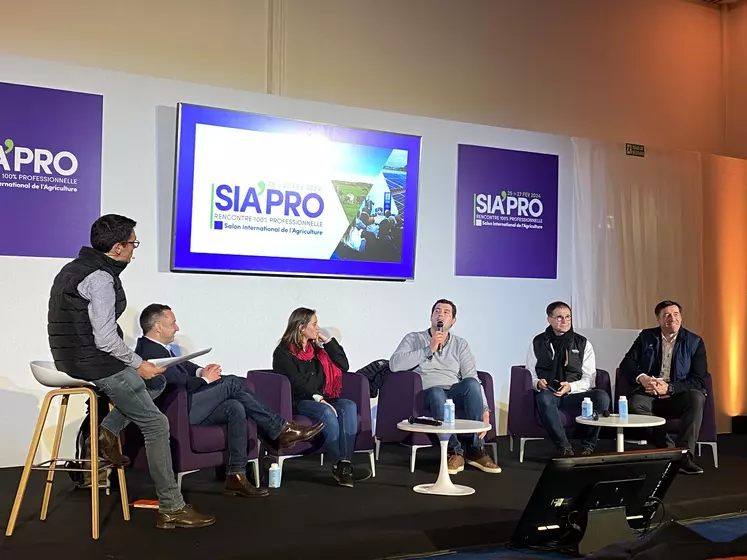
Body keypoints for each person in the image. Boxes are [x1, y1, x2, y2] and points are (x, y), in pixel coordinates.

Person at [47, 214, 214, 529]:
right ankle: (171, 507)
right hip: (91, 360)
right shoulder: (100, 277)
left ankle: (108, 430)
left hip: (70, 357)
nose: (134, 251)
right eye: (133, 244)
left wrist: (141, 368)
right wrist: (139, 363)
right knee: (157, 425)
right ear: (118, 248)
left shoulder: (73, 268)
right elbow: (105, 338)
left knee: (157, 381)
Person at [132, 304, 325, 498]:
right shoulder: (147, 351)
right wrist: (205, 379)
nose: (177, 327)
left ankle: (236, 475)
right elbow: (173, 383)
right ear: (158, 326)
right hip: (177, 411)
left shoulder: (161, 348)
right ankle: (280, 429)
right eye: (173, 323)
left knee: (235, 407)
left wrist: (202, 371)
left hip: (190, 405)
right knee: (232, 383)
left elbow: (185, 368)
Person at [389, 299, 501, 475]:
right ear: (431, 317)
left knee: (471, 384)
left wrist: (485, 408)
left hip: (453, 391)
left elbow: (472, 376)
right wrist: (429, 349)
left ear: (453, 321)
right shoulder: (414, 338)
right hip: (428, 392)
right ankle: (455, 451)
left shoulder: (460, 344)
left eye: (446, 312)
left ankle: (475, 450)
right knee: (436, 393)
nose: (440, 314)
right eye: (437, 311)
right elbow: (395, 365)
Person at [272, 308, 364, 488]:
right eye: (314, 324)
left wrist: (328, 342)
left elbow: (343, 365)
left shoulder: (316, 349)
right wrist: (317, 398)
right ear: (301, 327)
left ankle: (344, 465)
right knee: (326, 412)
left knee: (349, 406)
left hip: (323, 396)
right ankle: (339, 464)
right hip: (300, 400)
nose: (317, 328)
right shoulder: (283, 352)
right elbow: (295, 382)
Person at [619, 300, 706, 475]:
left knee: (696, 397)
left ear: (681, 318)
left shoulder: (694, 342)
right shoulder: (646, 337)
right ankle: (669, 450)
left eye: (676, 314)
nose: (672, 319)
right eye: (666, 315)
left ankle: (685, 456)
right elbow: (626, 364)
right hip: (650, 395)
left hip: (678, 395)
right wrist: (642, 378)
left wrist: (670, 388)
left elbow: (698, 380)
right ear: (658, 320)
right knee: (635, 404)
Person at [525, 301, 610, 456]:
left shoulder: (583, 343)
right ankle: (564, 447)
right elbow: (530, 373)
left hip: (574, 393)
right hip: (550, 392)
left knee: (601, 396)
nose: (564, 321)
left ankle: (588, 446)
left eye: (568, 317)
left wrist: (571, 387)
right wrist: (537, 383)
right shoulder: (537, 342)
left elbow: (589, 379)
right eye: (559, 317)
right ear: (549, 319)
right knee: (544, 399)